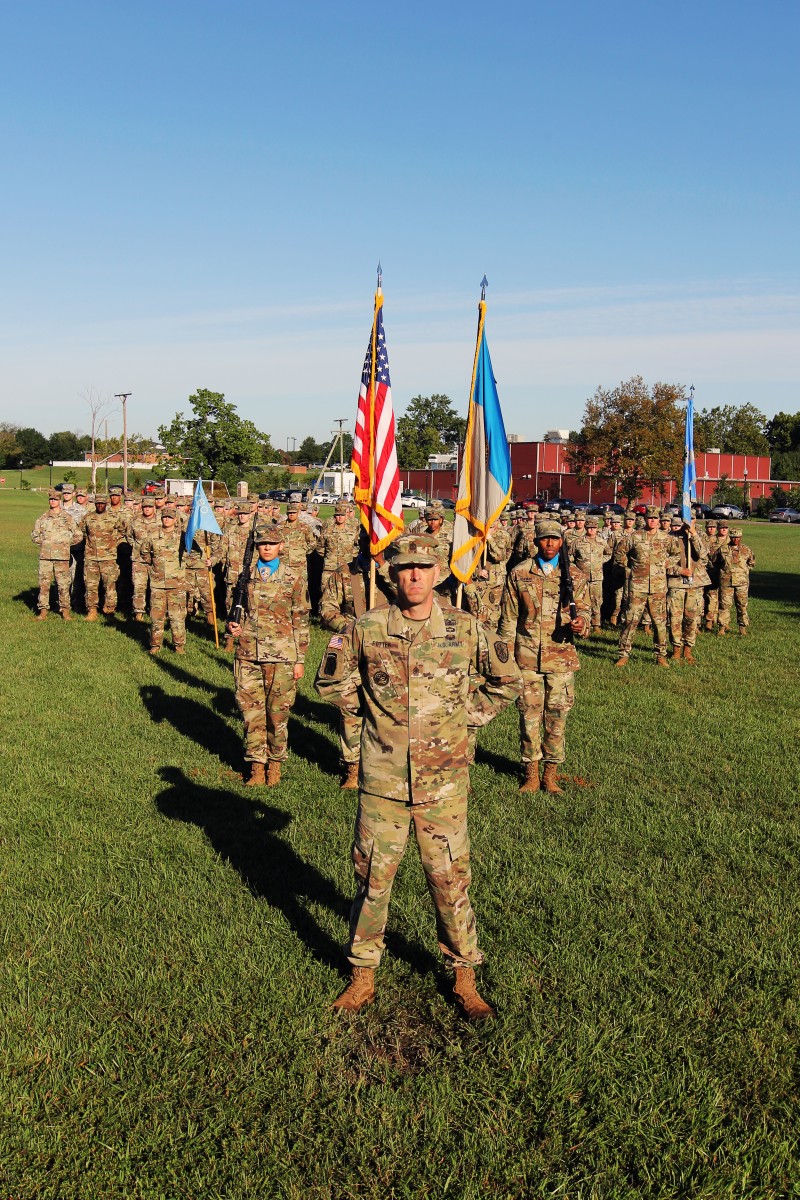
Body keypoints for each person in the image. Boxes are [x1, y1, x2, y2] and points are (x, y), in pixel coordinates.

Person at [316, 534, 520, 1019]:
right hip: (383, 780)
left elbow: (505, 681)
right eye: (405, 568)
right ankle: (362, 974)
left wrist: (465, 718)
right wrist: (371, 717)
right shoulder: (365, 627)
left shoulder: (465, 628)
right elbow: (330, 680)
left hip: (444, 784)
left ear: (439, 573)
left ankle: (464, 975)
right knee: (373, 880)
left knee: (449, 879)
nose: (413, 576)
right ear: (391, 573)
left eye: (423, 568)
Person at [498, 518, 589, 794]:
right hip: (526, 658)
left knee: (557, 718)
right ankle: (531, 774)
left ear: (561, 542)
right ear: (535, 542)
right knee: (529, 717)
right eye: (544, 539)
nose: (549, 543)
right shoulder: (520, 573)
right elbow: (508, 619)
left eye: (554, 539)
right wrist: (504, 660)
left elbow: (585, 611)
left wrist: (581, 623)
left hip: (561, 658)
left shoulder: (574, 575)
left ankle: (551, 774)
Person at [227, 526, 310, 787]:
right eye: (262, 543)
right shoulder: (245, 576)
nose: (266, 547)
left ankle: (274, 765)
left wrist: (300, 659)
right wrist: (232, 626)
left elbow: (301, 618)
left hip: (282, 656)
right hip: (248, 653)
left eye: (272, 543)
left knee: (277, 715)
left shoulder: (294, 577)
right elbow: (236, 611)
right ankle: (255, 767)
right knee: (251, 714)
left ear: (281, 546)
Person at [614, 505, 677, 667]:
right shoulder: (634, 537)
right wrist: (628, 568)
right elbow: (619, 553)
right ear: (645, 519)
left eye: (656, 518)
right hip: (637, 586)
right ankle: (623, 654)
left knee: (660, 623)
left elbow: (676, 553)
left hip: (658, 587)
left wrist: (667, 564)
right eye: (650, 518)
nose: (653, 521)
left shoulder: (666, 538)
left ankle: (660, 655)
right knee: (631, 621)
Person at [139, 504, 187, 654]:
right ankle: (155, 645)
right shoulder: (153, 535)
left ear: (175, 519)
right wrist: (155, 567)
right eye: (165, 517)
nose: (167, 519)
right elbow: (144, 552)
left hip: (176, 583)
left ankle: (179, 646)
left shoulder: (183, 536)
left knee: (177, 617)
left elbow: (193, 553)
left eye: (170, 517)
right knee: (156, 617)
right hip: (158, 583)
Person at [31, 489, 83, 620]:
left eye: (55, 499)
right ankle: (43, 610)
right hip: (45, 557)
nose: (53, 501)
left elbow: (78, 534)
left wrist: (66, 544)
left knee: (63, 584)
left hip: (62, 557)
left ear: (59, 501)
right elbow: (34, 535)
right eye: (51, 499)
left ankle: (65, 610)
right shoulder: (43, 518)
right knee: (44, 584)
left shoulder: (67, 518)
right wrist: (44, 542)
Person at [666, 517, 711, 663]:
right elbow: (663, 562)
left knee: (691, 618)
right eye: (686, 518)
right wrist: (680, 571)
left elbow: (704, 556)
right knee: (675, 618)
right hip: (677, 584)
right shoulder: (671, 537)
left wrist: (693, 534)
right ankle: (676, 649)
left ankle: (688, 649)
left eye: (691, 519)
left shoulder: (700, 536)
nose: (688, 522)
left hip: (695, 584)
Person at [80, 494, 124, 618]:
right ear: (94, 504)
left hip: (108, 558)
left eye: (102, 503)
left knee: (109, 585)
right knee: (91, 585)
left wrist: (114, 541)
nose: (100, 505)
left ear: (106, 504)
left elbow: (123, 530)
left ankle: (110, 609)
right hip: (91, 557)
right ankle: (92, 610)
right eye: (98, 503)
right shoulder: (88, 517)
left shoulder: (113, 517)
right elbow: (82, 532)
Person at [571, 515, 610, 633]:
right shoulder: (577, 542)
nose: (591, 530)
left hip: (597, 577)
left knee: (596, 601)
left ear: (597, 528)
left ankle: (596, 624)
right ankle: (581, 623)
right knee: (581, 601)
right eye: (589, 527)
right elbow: (570, 556)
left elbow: (608, 554)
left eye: (593, 527)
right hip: (582, 577)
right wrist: (575, 569)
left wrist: (599, 561)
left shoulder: (601, 542)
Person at [716, 527, 755, 636]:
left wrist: (743, 572)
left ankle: (742, 628)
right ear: (730, 537)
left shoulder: (746, 550)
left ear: (741, 537)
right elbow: (715, 562)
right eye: (733, 537)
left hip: (741, 583)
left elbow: (751, 563)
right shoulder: (723, 549)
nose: (735, 540)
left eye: (737, 537)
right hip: (726, 582)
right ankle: (722, 628)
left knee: (742, 605)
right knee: (724, 605)